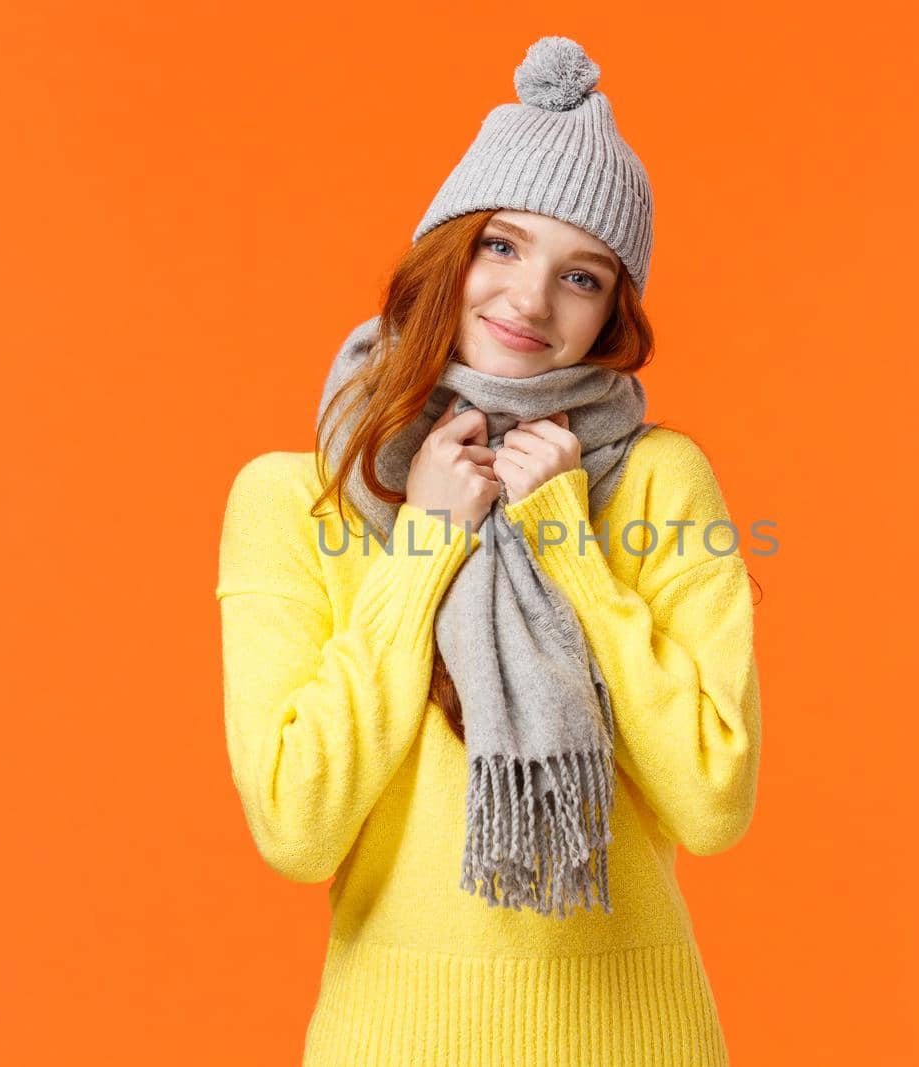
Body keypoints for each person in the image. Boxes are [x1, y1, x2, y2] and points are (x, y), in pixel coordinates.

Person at [216, 35, 762, 1066]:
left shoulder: (654, 480)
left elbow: (713, 799)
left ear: (612, 314)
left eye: (582, 276)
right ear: (445, 251)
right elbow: (296, 824)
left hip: (633, 1038)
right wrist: (424, 545)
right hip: (392, 1037)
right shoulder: (295, 496)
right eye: (500, 246)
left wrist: (569, 550)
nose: (527, 300)